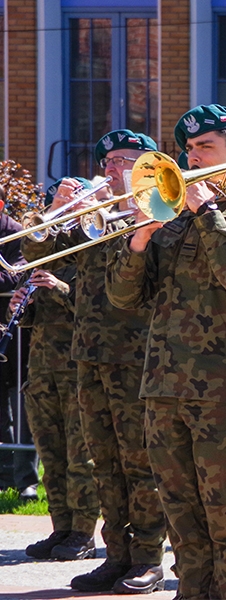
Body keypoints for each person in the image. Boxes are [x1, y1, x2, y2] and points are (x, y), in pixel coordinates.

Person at [106, 104, 226, 599]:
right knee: (181, 521)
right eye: (187, 149)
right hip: (164, 390)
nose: (190, 157)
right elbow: (123, 299)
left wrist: (208, 212)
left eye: (203, 147)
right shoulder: (170, 218)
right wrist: (140, 240)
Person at [22, 131, 167, 594]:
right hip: (89, 357)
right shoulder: (97, 219)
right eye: (106, 160)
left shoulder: (161, 215)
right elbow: (34, 251)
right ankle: (116, 555)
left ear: (145, 167)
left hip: (137, 358)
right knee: (104, 464)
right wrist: (53, 212)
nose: (108, 169)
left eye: (121, 161)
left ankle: (147, 557)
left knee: (139, 464)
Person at [19, 179, 99, 562]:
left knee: (79, 455)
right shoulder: (48, 248)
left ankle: (83, 533)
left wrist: (60, 288)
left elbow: (98, 303)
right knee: (51, 455)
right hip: (42, 368)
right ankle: (61, 528)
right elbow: (31, 316)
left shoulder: (93, 242)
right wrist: (22, 302)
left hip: (76, 366)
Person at [0, 207, 39, 502]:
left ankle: (24, 478)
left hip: (15, 335)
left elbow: (16, 275)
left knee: (22, 407)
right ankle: (3, 476)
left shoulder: (16, 232)